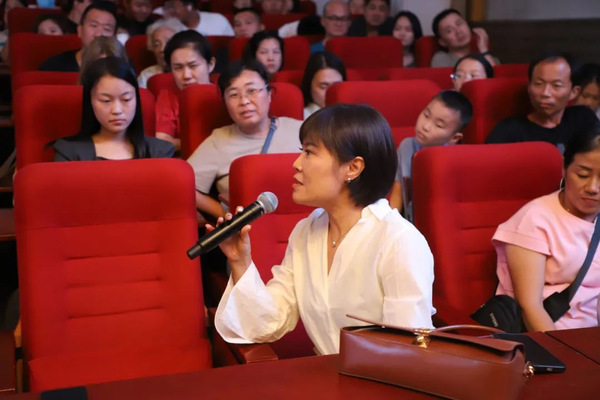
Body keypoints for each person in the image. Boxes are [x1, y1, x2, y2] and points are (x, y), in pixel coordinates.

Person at [213, 103, 435, 355]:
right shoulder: (306, 231)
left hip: (380, 377)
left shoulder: (399, 240)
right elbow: (271, 321)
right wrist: (240, 261)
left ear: (353, 168)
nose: (296, 163)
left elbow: (407, 349)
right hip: (326, 373)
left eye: (309, 152)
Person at [493, 124, 600, 331]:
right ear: (564, 168)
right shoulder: (535, 220)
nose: (593, 188)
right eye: (583, 175)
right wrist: (561, 351)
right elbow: (530, 307)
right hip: (554, 335)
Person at [187, 59, 302, 220]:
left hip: (308, 223)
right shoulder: (219, 141)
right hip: (250, 230)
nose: (244, 101)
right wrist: (228, 216)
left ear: (269, 94)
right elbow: (184, 186)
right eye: (234, 95)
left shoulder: (301, 130)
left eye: (252, 90)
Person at [53, 57, 174, 161]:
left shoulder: (159, 151)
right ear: (90, 101)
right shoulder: (69, 151)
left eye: (126, 99)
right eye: (106, 101)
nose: (117, 110)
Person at [486, 51, 598, 153]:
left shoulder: (583, 119)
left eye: (556, 85)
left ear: (574, 92)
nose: (545, 93)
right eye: (538, 84)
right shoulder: (508, 130)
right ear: (529, 87)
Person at [389, 91, 472, 221]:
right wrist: (389, 222)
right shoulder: (407, 146)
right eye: (426, 115)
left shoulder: (456, 161)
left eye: (439, 125)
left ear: (455, 138)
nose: (426, 126)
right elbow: (397, 194)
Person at [155, 30, 215, 151]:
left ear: (211, 64)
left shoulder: (225, 91)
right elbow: (162, 141)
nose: (186, 75)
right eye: (178, 68)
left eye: (193, 66)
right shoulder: (167, 96)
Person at [39, 1, 117, 72]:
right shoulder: (54, 66)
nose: (98, 34)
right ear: (80, 30)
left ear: (114, 37)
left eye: (107, 29)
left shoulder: (120, 69)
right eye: (94, 26)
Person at [430, 8, 496, 68]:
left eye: (459, 24)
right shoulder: (441, 59)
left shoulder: (488, 57)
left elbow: (497, 75)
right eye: (449, 31)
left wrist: (484, 50)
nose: (458, 32)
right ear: (442, 42)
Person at [137, 18, 186, 88]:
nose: (162, 49)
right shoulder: (146, 76)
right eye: (156, 45)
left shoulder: (190, 72)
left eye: (168, 42)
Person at [301, 51, 345, 119]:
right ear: (309, 85)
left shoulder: (353, 114)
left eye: (336, 86)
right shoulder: (300, 115)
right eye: (323, 86)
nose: (330, 93)